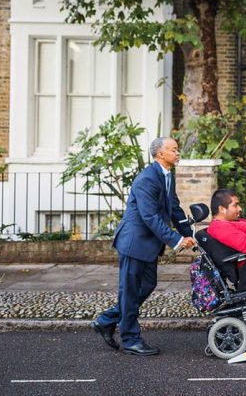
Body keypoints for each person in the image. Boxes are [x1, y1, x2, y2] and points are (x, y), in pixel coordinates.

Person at [91, 137, 195, 356]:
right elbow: (150, 216)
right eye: (173, 149)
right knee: (130, 291)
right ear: (159, 154)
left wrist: (189, 235)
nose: (177, 153)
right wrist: (175, 240)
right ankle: (130, 339)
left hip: (147, 244)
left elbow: (174, 208)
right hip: (134, 242)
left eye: (177, 149)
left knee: (146, 285)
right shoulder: (147, 179)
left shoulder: (167, 176)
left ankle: (107, 320)